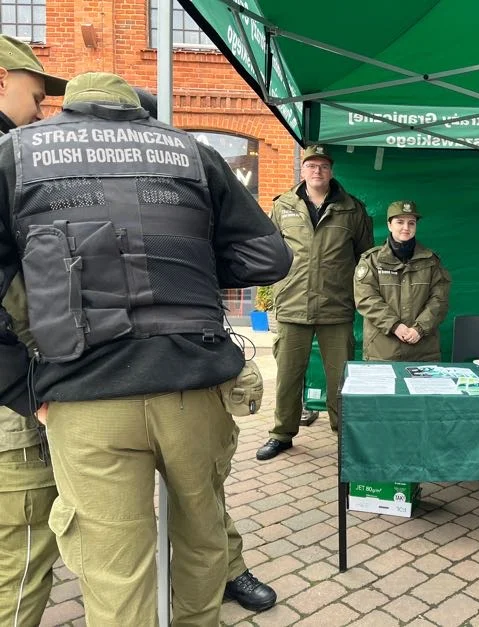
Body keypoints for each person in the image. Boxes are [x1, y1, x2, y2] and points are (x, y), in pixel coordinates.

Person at [0, 72, 293, 624]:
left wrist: (22, 387)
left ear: (69, 105)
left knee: (115, 570)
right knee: (204, 542)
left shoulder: (15, 153)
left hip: (84, 397)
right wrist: (195, 266)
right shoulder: (193, 152)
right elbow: (269, 259)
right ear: (136, 108)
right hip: (194, 388)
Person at [135, 86, 279, 613]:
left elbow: (263, 254)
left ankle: (227, 570)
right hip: (93, 375)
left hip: (187, 367)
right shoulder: (44, 167)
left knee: (202, 495)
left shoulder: (192, 175)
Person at [0, 34, 65, 627]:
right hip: (13, 394)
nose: (41, 114)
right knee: (22, 550)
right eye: (37, 98)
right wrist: (28, 390)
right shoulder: (4, 159)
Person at [257, 144, 373, 461]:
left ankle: (344, 433)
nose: (317, 170)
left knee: (341, 376)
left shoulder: (353, 209)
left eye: (322, 165)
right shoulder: (283, 206)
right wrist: (272, 293)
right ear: (303, 169)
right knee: (288, 376)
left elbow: (365, 258)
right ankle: (282, 434)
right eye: (311, 165)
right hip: (293, 303)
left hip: (336, 306)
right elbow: (270, 252)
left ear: (331, 170)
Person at [354, 200, 451, 361]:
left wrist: (420, 328)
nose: (406, 228)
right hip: (382, 351)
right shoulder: (371, 260)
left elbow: (439, 299)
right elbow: (366, 299)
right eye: (400, 222)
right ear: (389, 225)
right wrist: (395, 326)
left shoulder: (431, 261)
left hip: (423, 352)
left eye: (411, 223)